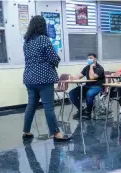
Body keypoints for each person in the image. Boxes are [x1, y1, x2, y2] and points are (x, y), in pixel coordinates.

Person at [22, 15, 71, 143]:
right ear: (42, 26)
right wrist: (56, 61)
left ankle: (26, 131)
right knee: (48, 106)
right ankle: (56, 133)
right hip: (44, 78)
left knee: (31, 105)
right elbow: (53, 58)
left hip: (29, 78)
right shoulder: (43, 39)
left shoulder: (27, 41)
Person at [69, 53, 105, 120]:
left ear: (95, 59)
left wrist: (91, 67)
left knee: (89, 94)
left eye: (91, 58)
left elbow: (92, 77)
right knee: (72, 93)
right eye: (88, 58)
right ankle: (81, 110)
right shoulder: (86, 67)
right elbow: (80, 76)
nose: (89, 59)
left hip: (97, 86)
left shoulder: (99, 68)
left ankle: (88, 112)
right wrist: (73, 77)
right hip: (87, 86)